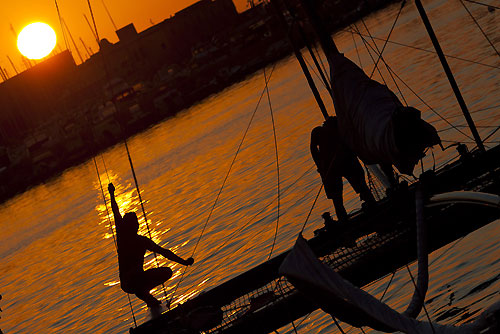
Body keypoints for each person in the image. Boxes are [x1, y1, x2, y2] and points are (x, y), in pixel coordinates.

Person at [108, 183, 194, 312]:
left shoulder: (140, 240)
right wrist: (111, 194)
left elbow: (164, 252)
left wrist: (183, 262)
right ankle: (144, 294)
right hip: (130, 282)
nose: (136, 225)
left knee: (166, 272)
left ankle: (146, 296)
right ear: (130, 226)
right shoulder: (123, 237)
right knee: (158, 274)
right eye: (134, 223)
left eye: (137, 222)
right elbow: (115, 211)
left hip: (131, 283)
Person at [310, 116, 375, 221]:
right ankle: (343, 218)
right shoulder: (319, 132)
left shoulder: (343, 128)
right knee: (337, 197)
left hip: (347, 162)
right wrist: (321, 166)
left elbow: (354, 140)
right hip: (331, 168)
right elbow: (313, 150)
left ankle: (371, 205)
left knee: (361, 187)